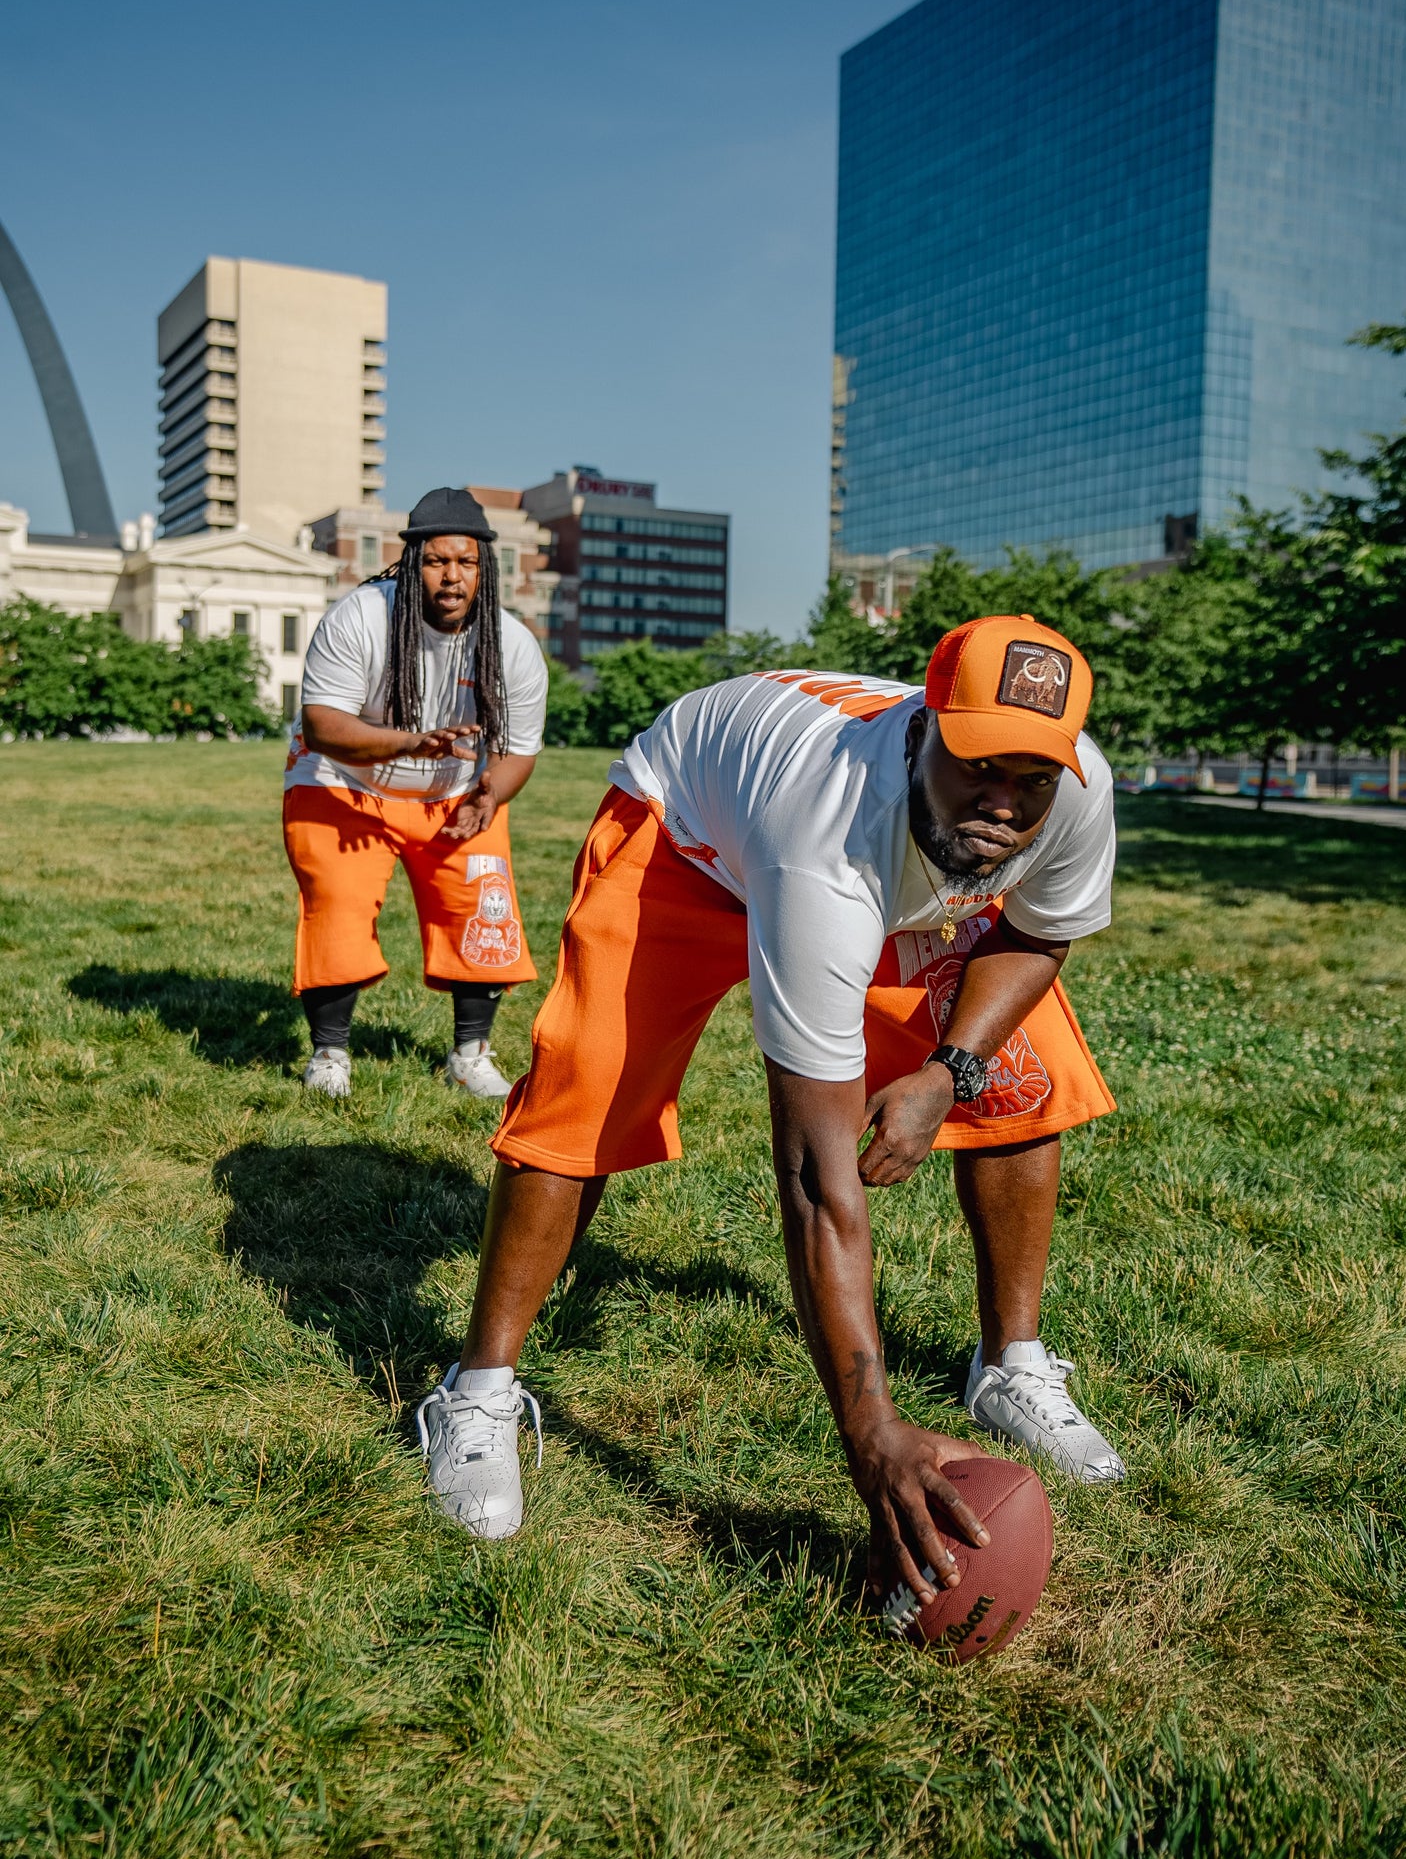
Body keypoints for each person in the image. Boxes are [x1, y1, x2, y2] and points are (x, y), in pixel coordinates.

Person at [418, 613, 1123, 1614]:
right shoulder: (825, 837)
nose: (1002, 803)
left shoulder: (1077, 792)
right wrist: (869, 1433)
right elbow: (814, 1177)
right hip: (687, 833)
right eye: (975, 766)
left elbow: (1038, 933)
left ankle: (1007, 1365)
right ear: (920, 731)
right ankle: (477, 1390)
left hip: (892, 876)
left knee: (1017, 1077)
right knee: (589, 1091)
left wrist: (949, 1071)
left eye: (1030, 776)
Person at [283, 487, 548, 1101]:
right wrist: (409, 743)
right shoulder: (360, 617)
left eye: (467, 562)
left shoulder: (512, 643)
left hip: (455, 795)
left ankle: (470, 1056)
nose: (452, 576)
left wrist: (491, 796)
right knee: (339, 904)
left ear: (485, 569)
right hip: (343, 784)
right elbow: (322, 725)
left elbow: (519, 749)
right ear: (410, 562)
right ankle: (329, 1054)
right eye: (436, 561)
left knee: (483, 910)